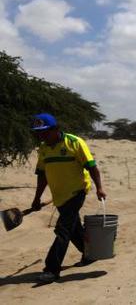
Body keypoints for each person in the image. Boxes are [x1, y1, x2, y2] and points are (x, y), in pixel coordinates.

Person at [30, 113, 107, 283]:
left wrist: (99, 188)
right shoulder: (43, 148)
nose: (42, 136)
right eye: (39, 133)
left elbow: (92, 167)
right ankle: (89, 254)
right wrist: (37, 198)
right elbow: (42, 175)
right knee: (73, 227)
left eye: (45, 132)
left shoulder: (75, 142)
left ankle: (51, 269)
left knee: (63, 230)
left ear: (56, 129)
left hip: (77, 192)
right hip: (59, 195)